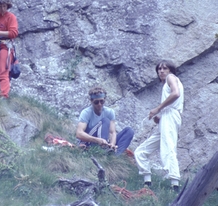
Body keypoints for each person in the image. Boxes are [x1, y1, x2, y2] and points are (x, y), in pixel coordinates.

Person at [134, 60, 184, 191]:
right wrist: (160, 117)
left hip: (171, 116)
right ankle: (147, 182)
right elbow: (173, 103)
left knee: (168, 148)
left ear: (170, 70)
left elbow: (176, 93)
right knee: (140, 151)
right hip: (167, 116)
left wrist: (158, 108)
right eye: (159, 69)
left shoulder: (171, 77)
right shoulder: (167, 82)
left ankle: (175, 184)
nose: (161, 71)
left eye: (165, 68)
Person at [76, 87, 134, 155]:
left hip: (106, 141)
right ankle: (102, 151)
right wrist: (97, 140)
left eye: (102, 101)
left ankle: (114, 155)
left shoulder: (110, 112)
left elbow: (112, 132)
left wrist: (112, 144)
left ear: (105, 100)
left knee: (129, 131)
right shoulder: (86, 112)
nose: (99, 104)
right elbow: (79, 133)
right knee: (105, 121)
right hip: (90, 142)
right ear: (91, 101)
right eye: (96, 102)